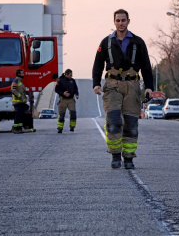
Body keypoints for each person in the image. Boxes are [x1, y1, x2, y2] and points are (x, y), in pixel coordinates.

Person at [92, 9, 154, 169]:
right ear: (114, 22)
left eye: (123, 20)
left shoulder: (138, 42)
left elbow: (146, 66)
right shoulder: (106, 42)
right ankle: (115, 156)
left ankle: (128, 158)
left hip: (132, 86)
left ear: (128, 21)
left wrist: (149, 87)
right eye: (118, 20)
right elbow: (98, 64)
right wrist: (96, 83)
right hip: (112, 85)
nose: (121, 23)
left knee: (131, 125)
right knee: (113, 122)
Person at [54, 69, 79, 133]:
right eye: (70, 75)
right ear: (66, 74)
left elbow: (76, 88)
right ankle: (60, 128)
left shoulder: (72, 81)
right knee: (61, 115)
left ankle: (72, 127)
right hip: (63, 100)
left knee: (73, 113)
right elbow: (56, 90)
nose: (71, 76)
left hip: (71, 100)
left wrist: (77, 94)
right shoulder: (60, 81)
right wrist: (63, 93)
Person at [11, 69, 28, 134]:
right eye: (22, 73)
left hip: (21, 102)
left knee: (21, 116)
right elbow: (13, 90)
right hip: (17, 102)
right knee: (18, 116)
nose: (23, 74)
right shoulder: (16, 81)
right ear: (18, 74)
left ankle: (19, 128)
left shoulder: (20, 81)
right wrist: (19, 95)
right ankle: (15, 128)